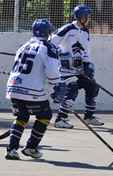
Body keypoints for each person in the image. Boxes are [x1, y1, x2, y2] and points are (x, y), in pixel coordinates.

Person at [5, 19, 65, 160]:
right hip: (31, 90)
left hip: (13, 87)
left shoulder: (23, 46)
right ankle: (31, 147)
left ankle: (12, 150)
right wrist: (58, 85)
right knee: (45, 115)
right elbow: (52, 72)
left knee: (22, 117)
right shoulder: (48, 47)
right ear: (47, 32)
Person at [50, 4, 103, 129]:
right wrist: (62, 55)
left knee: (93, 87)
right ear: (80, 17)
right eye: (86, 16)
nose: (88, 19)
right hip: (67, 69)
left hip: (80, 67)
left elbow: (85, 51)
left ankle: (89, 117)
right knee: (72, 90)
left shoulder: (85, 31)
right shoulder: (68, 28)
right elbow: (52, 42)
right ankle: (60, 119)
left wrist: (87, 64)